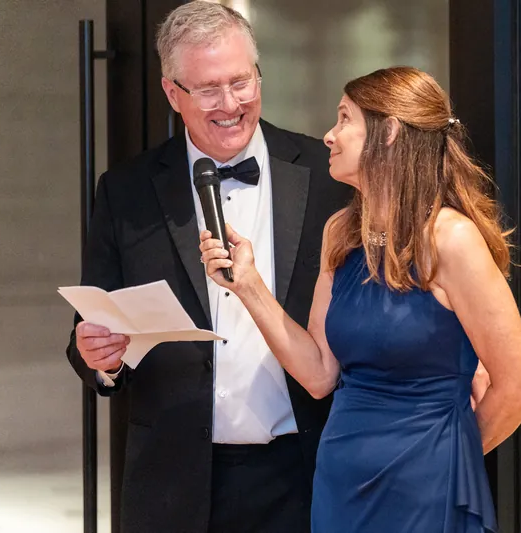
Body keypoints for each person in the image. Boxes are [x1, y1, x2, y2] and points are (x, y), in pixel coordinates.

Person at [200, 66, 521, 532]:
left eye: (344, 119)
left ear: (389, 132)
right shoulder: (341, 232)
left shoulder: (451, 239)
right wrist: (248, 285)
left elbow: (519, 385)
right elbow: (319, 374)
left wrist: (447, 456)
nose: (328, 135)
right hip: (341, 481)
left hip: (425, 489)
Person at [64, 3, 355, 532]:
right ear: (172, 93)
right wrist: (98, 358)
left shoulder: (326, 176)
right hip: (173, 483)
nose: (230, 104)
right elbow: (91, 333)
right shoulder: (126, 190)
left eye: (241, 82)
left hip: (305, 473)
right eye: (207, 89)